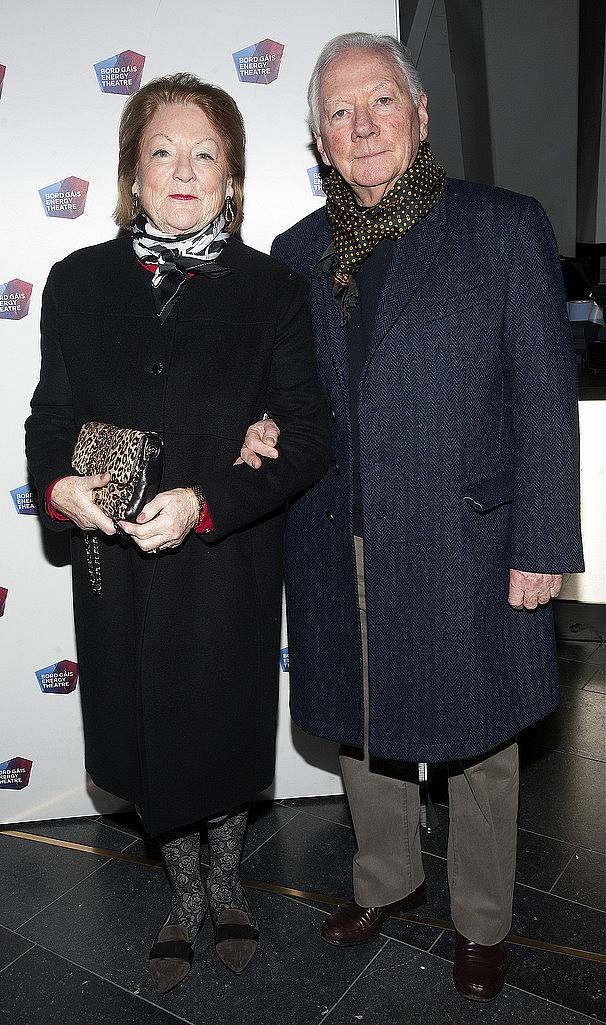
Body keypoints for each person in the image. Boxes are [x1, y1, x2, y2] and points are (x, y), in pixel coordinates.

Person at [256, 32, 584, 1002]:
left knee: (481, 740)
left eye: (380, 104)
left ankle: (483, 919)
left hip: (468, 539)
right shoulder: (299, 252)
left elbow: (543, 398)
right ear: (318, 139)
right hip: (336, 535)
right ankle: (386, 880)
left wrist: (544, 540)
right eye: (339, 114)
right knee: (364, 727)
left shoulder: (502, 226)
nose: (361, 128)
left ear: (420, 113)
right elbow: (297, 396)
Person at [25, 72, 330, 993]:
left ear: (232, 175)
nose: (184, 168)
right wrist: (59, 484)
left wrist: (206, 503)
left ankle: (226, 883)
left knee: (222, 725)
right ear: (133, 172)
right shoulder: (77, 282)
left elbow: (308, 434)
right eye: (162, 150)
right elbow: (51, 413)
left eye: (206, 151)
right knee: (146, 731)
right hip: (113, 562)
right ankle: (181, 896)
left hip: (223, 554)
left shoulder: (274, 288)